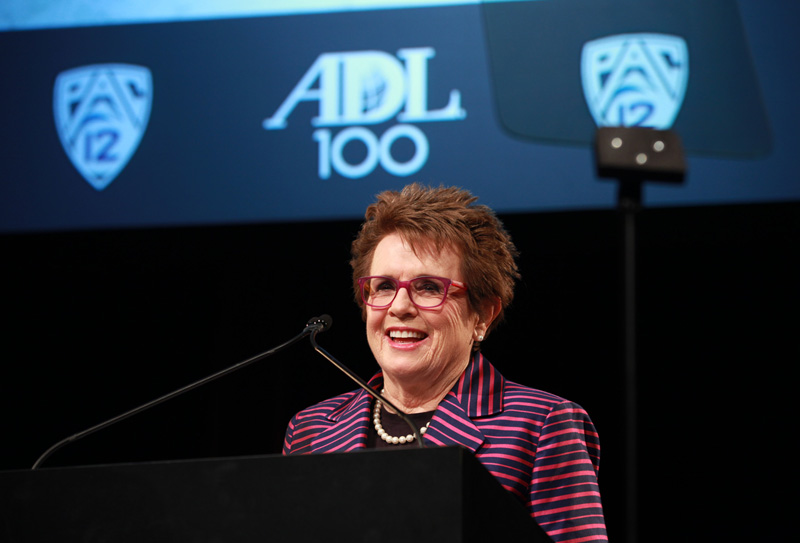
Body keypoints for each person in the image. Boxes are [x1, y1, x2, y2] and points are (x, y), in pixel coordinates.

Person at [283, 183, 608, 542]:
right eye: (384, 287)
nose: (400, 307)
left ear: (482, 314)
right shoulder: (311, 430)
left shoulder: (541, 425)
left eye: (428, 287)